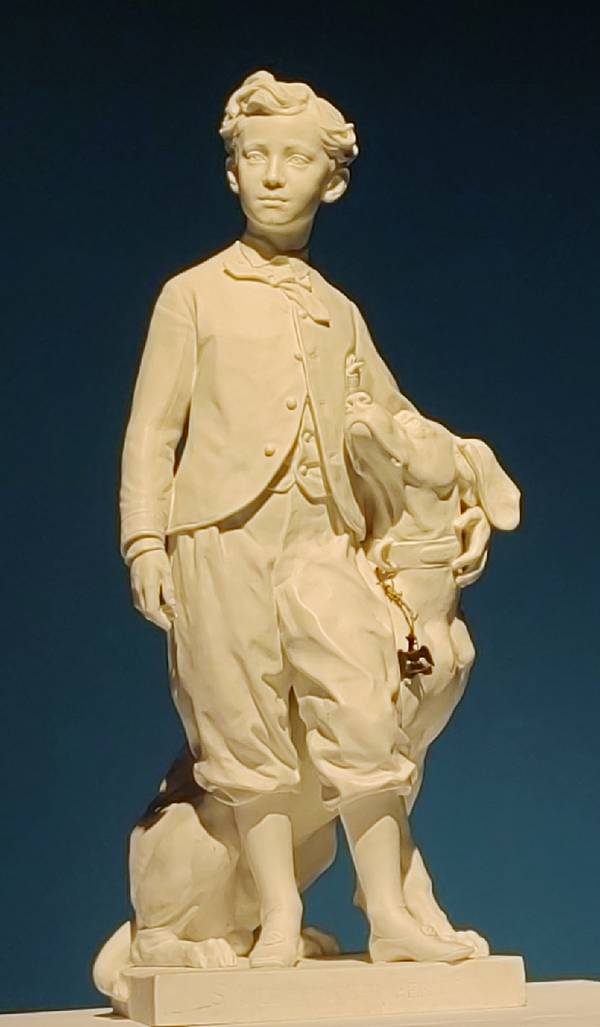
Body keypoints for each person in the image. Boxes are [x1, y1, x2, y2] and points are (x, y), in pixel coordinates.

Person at [120, 70, 488, 967]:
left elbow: (399, 419)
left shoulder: (338, 313)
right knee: (240, 722)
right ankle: (276, 917)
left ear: (334, 180)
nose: (274, 175)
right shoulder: (193, 294)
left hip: (323, 537)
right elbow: (152, 430)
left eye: (295, 159)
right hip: (221, 533)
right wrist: (144, 541)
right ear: (232, 172)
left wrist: (468, 489)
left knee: (362, 703)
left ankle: (389, 914)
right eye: (256, 157)